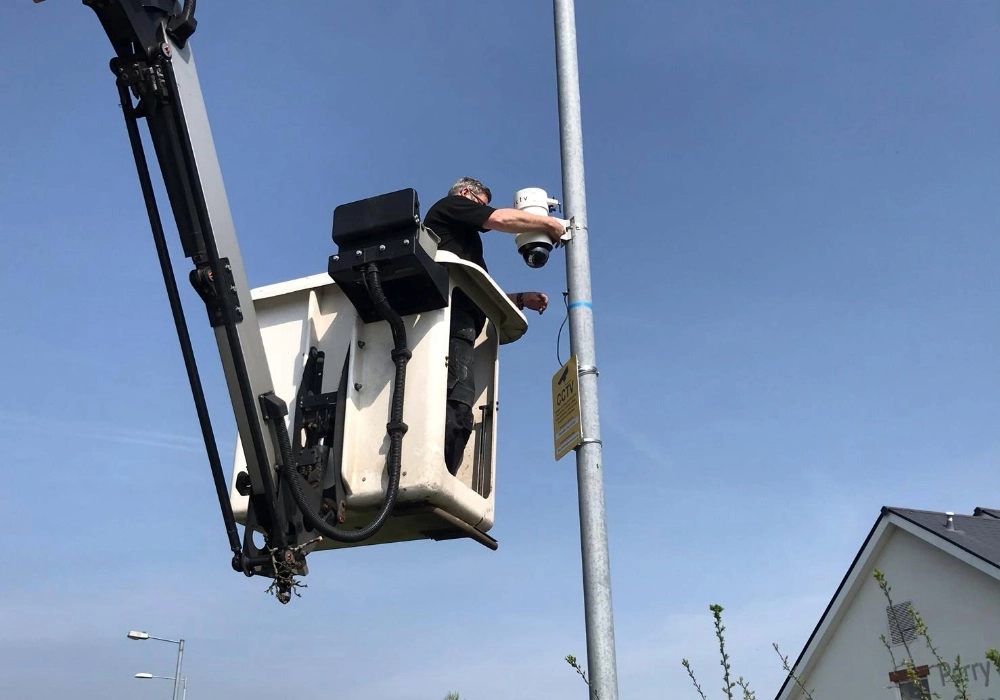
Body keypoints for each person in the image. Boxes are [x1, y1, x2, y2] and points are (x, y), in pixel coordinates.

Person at [423, 177, 566, 476]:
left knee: (459, 407)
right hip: (453, 319)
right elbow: (500, 218)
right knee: (457, 406)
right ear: (465, 194)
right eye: (479, 204)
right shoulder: (451, 206)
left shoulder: (462, 246)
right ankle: (438, 479)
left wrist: (519, 299)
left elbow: (482, 292)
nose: (479, 214)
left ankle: (441, 477)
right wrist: (548, 224)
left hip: (461, 322)